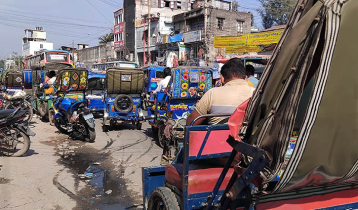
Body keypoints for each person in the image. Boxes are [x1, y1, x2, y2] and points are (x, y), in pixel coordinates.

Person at [186, 58, 255, 126]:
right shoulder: (255, 93)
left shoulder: (212, 94)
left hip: (216, 136)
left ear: (222, 78)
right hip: (249, 136)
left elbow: (190, 123)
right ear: (246, 78)